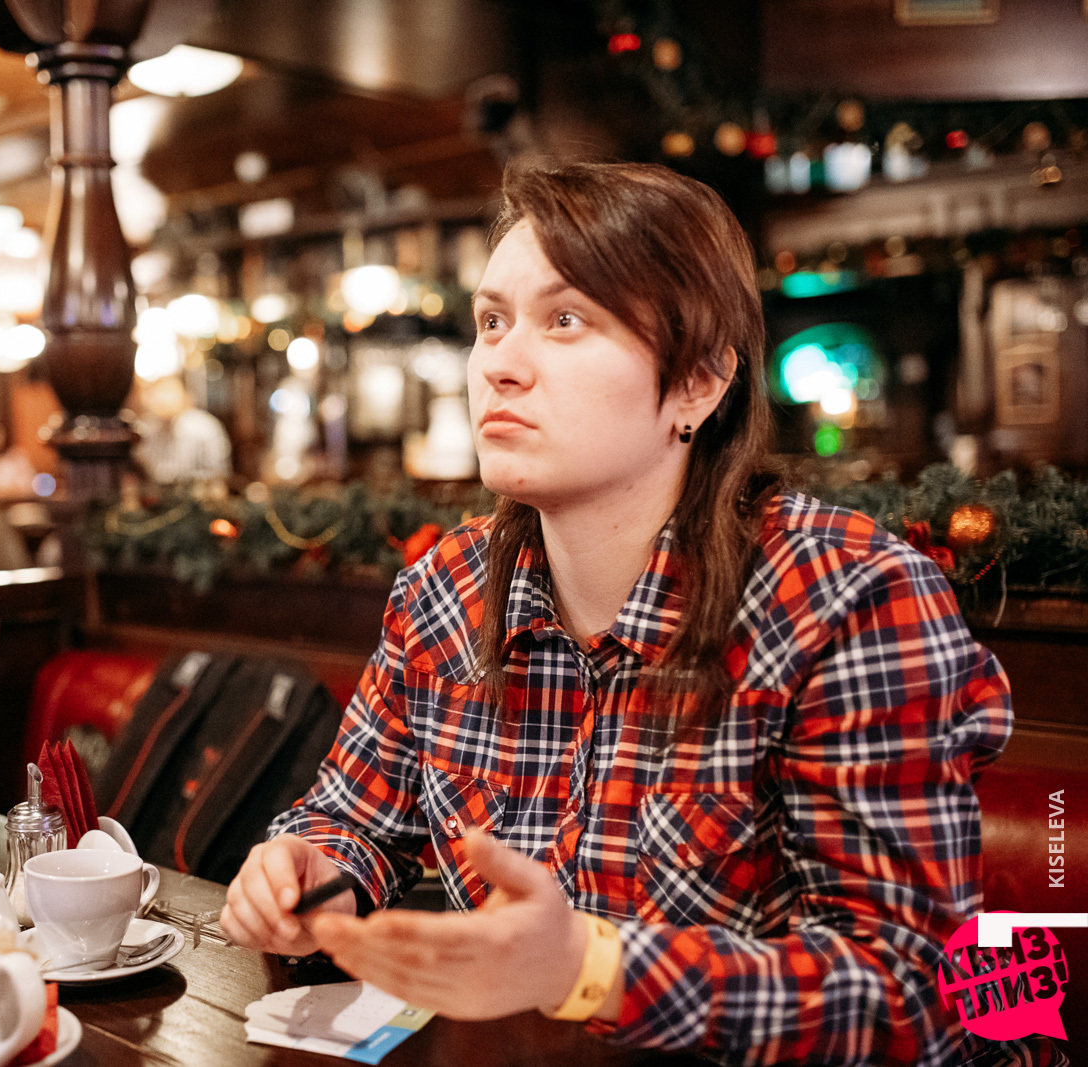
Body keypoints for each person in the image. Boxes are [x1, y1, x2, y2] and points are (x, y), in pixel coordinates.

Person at [220, 161, 1049, 1066]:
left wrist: (592, 968)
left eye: (565, 320)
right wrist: (311, 870)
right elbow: (353, 816)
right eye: (492, 321)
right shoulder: (445, 590)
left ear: (699, 381)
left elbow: (920, 991)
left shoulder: (847, 595)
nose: (499, 363)